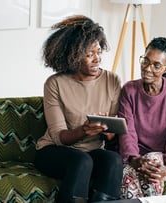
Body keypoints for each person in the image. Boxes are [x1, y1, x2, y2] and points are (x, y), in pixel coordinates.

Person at [34, 15, 123, 203]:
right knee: (81, 161)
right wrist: (84, 130)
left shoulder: (112, 80)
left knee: (113, 160)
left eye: (98, 51)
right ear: (73, 56)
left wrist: (108, 132)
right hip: (54, 151)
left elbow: (113, 134)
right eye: (89, 54)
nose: (97, 59)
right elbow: (60, 136)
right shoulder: (55, 83)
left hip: (92, 151)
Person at [117, 37, 166, 198]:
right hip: (138, 157)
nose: (147, 68)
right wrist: (134, 160)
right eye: (145, 61)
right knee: (127, 176)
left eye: (156, 65)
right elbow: (127, 132)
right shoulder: (129, 90)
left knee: (151, 175)